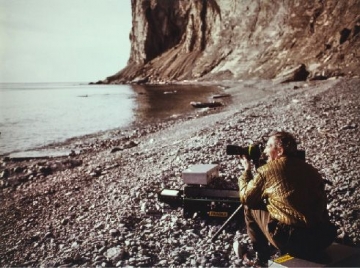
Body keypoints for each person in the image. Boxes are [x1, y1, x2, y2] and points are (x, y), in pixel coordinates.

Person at [237, 131, 337, 265]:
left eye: (268, 146)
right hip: (322, 237)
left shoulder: (267, 170)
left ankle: (261, 258)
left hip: (293, 241)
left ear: (280, 151)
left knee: (250, 206)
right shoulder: (311, 169)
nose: (264, 151)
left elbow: (246, 197)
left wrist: (247, 171)